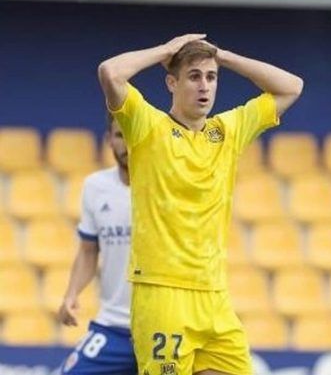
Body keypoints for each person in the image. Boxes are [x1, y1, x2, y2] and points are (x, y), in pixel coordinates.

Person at [97, 34, 303, 375]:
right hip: (163, 291)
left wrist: (221, 56)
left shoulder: (228, 130)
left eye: (211, 77)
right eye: (194, 76)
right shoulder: (147, 127)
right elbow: (110, 72)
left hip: (214, 294)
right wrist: (166, 50)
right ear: (171, 82)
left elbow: (291, 87)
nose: (204, 86)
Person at [57, 116, 136, 374]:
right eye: (119, 136)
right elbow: (89, 251)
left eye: (133, 134)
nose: (127, 144)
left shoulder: (168, 187)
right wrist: (71, 294)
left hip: (164, 327)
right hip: (114, 326)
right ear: (108, 140)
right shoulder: (95, 187)